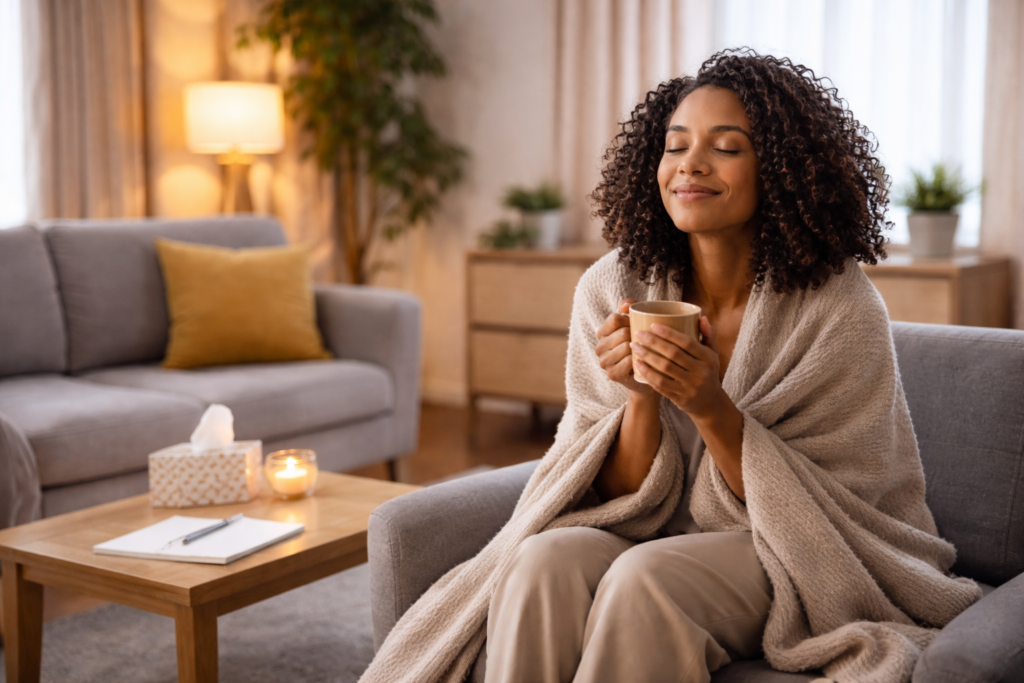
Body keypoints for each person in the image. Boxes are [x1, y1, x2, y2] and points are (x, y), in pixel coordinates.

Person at [358, 49, 979, 683]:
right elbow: (620, 497)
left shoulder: (838, 306)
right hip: (647, 529)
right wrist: (639, 396)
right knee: (541, 561)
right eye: (675, 145)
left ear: (784, 170)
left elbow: (827, 514)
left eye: (726, 148)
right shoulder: (613, 285)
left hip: (798, 549)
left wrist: (710, 405)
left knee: (646, 579)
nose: (691, 166)